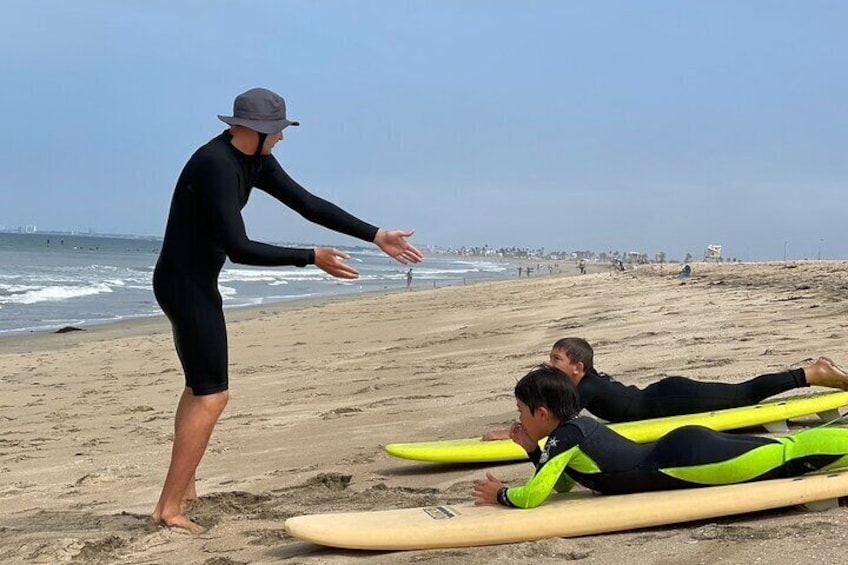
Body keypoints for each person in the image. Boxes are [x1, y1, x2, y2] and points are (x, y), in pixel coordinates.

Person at [151, 87, 424, 533]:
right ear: (255, 131)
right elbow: (238, 247)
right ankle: (168, 508)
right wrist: (309, 258)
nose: (281, 139)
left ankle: (186, 487)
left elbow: (307, 203)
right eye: (276, 132)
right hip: (185, 286)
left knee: (199, 387)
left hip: (193, 282)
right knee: (213, 395)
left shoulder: (252, 159)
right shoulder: (216, 166)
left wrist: (376, 235)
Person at [472, 365, 848, 508]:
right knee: (788, 448)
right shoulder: (571, 432)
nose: (518, 419)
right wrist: (530, 449)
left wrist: (500, 495)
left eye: (521, 412)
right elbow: (565, 486)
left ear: (541, 413)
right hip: (682, 450)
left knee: (789, 457)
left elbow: (533, 496)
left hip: (685, 463)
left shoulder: (564, 439)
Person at [482, 337, 848, 439]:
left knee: (744, 395)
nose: (550, 365)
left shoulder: (585, 388)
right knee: (741, 394)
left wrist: (512, 432)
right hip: (664, 397)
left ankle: (811, 373)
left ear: (578, 368)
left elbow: (557, 423)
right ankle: (813, 372)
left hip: (674, 398)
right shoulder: (586, 382)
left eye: (556, 360)